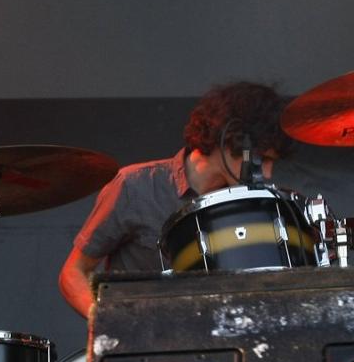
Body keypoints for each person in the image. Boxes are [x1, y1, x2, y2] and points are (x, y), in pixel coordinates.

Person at [58, 81, 293, 318]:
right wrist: (110, 324)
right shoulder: (136, 186)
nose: (268, 173)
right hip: (143, 343)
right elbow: (73, 273)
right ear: (231, 140)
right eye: (262, 159)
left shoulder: (253, 204)